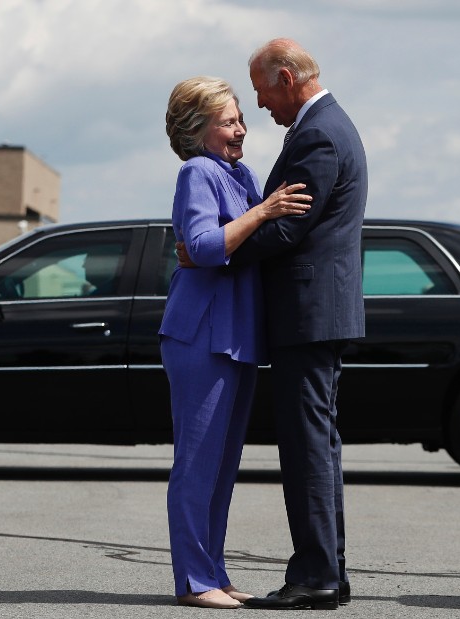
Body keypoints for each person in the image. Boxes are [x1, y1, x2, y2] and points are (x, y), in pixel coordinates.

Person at [160, 76, 311, 609]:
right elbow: (202, 247)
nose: (241, 129)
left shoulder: (238, 173)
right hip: (201, 333)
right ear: (196, 130)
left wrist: (259, 215)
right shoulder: (197, 171)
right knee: (197, 463)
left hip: (237, 336)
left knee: (222, 467)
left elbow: (246, 244)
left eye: (240, 118)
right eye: (228, 121)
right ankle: (194, 581)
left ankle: (214, 573)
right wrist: (264, 211)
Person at [229, 38, 368, 610]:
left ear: (286, 78)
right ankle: (328, 571)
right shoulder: (330, 126)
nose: (260, 105)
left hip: (307, 315)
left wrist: (218, 246)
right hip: (317, 313)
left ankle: (315, 575)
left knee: (307, 447)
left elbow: (288, 227)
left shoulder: (317, 133)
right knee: (319, 446)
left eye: (261, 90)